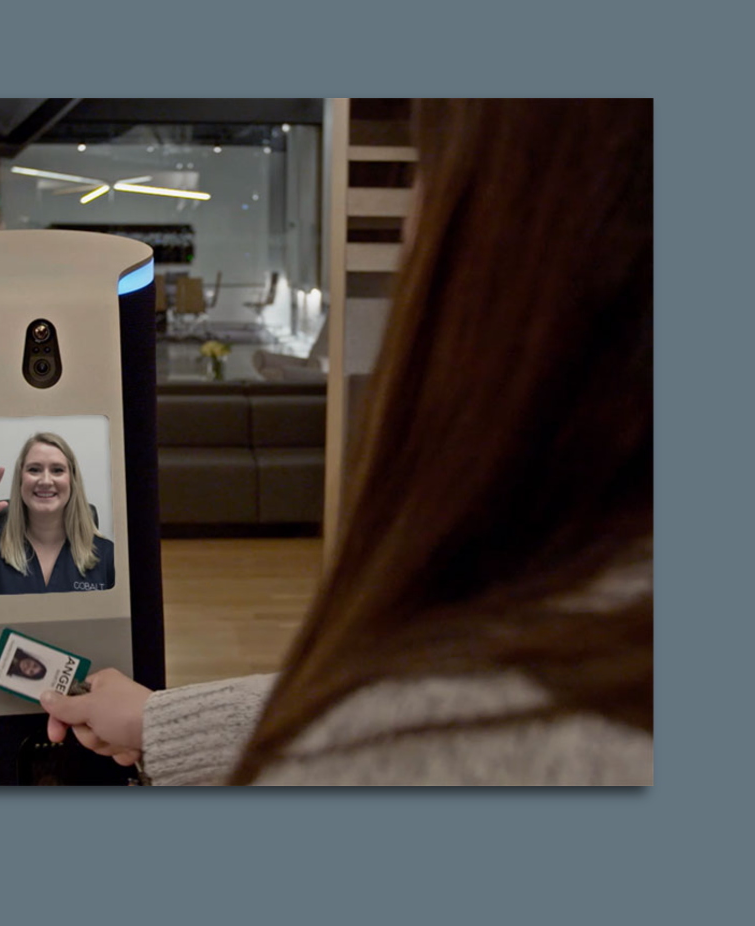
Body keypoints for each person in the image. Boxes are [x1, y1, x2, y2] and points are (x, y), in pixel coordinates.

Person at [39, 99, 653, 785]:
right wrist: (164, 722)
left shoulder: (464, 729)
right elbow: (401, 699)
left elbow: (401, 723)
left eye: (428, 169)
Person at [0, 432, 116, 595]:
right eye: (34, 470)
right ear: (20, 480)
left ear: (72, 480)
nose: (45, 481)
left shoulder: (108, 556)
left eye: (57, 470)